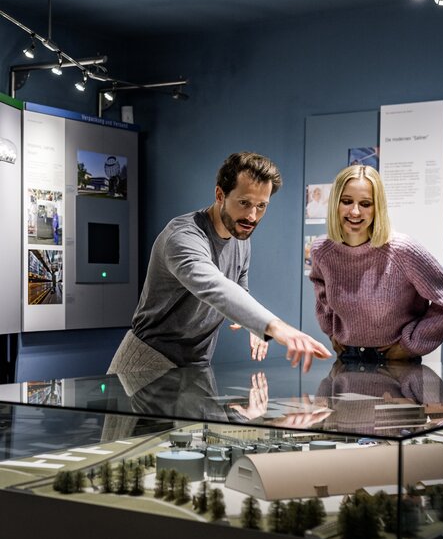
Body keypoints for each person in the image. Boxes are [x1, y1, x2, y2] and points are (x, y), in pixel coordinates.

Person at [108, 152, 331, 375]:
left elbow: (238, 290)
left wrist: (252, 325)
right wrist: (275, 327)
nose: (252, 216)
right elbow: (215, 287)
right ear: (219, 194)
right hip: (147, 363)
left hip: (195, 366)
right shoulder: (183, 237)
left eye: (261, 206)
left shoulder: (241, 237)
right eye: (244, 203)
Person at [309, 165, 443, 361]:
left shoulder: (403, 250)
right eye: (347, 201)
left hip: (396, 364)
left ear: (377, 207)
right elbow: (322, 297)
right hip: (348, 358)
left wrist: (411, 345)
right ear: (334, 203)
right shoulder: (322, 250)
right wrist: (331, 332)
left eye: (365, 204)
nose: (355, 211)